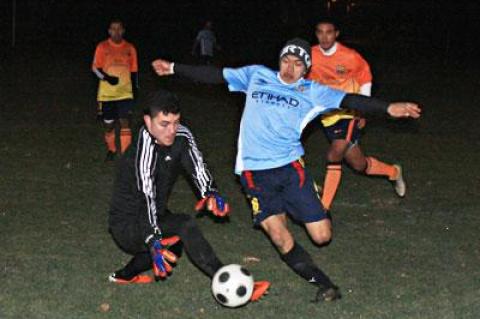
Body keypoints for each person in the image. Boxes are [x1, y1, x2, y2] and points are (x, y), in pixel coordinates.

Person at [151, 38, 421, 301]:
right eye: (285, 60)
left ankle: (306, 199)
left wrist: (388, 108)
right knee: (280, 237)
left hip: (291, 170)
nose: (289, 68)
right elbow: (216, 75)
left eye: (297, 64)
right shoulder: (256, 75)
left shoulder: (313, 91)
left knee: (322, 236)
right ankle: (324, 284)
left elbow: (351, 100)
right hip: (254, 173)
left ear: (306, 69)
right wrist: (175, 68)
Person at [107, 89, 270, 301]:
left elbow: (197, 167)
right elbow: (145, 196)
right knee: (183, 226)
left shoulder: (181, 136)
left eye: (175, 122)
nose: (171, 131)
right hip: (126, 223)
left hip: (154, 213)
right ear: (148, 121)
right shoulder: (143, 147)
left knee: (174, 245)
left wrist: (210, 192)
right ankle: (228, 281)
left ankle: (124, 276)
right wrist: (152, 238)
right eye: (164, 124)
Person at [307, 18, 406, 211]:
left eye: (329, 32)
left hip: (349, 112)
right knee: (358, 164)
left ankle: (323, 208)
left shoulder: (350, 57)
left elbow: (365, 78)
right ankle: (393, 172)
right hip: (327, 116)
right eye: (320, 32)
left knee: (334, 153)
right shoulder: (310, 55)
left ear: (336, 34)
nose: (324, 36)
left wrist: (363, 109)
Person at [92, 19, 138, 161]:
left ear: (123, 30)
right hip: (107, 94)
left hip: (125, 92)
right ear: (109, 31)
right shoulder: (102, 47)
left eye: (119, 29)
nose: (116, 31)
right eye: (113, 29)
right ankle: (112, 149)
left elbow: (134, 70)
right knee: (109, 125)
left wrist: (135, 88)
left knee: (125, 122)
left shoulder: (130, 48)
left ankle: (126, 155)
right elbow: (95, 68)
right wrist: (107, 78)